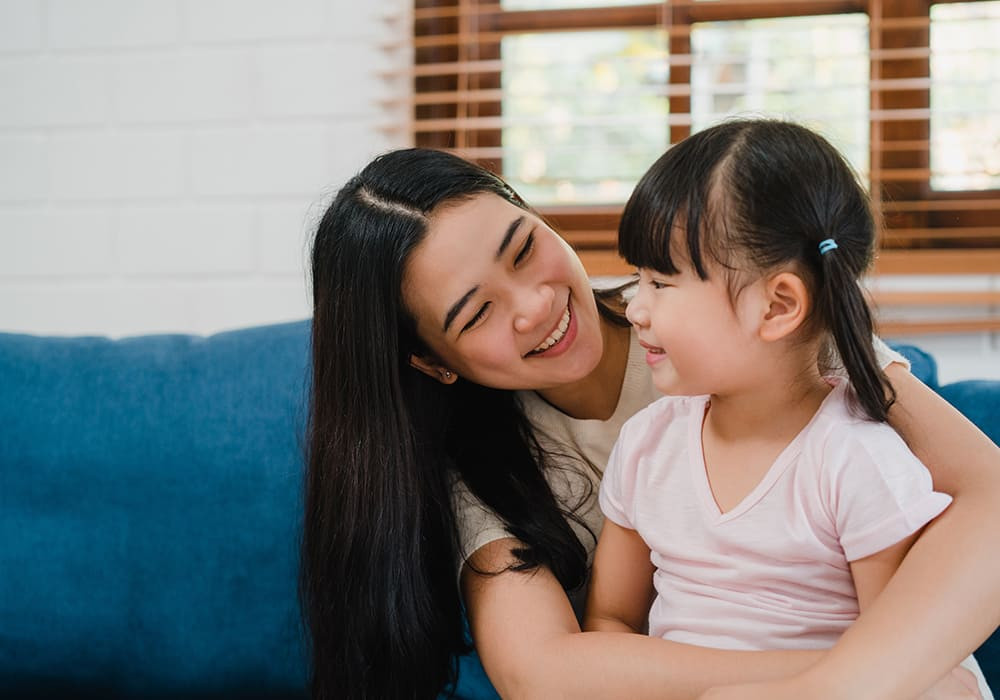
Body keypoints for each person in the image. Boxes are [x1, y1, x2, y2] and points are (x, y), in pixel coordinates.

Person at [300, 143, 1000, 700]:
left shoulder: (736, 311)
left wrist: (863, 681)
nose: (535, 304)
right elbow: (543, 675)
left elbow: (990, 496)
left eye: (521, 249)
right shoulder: (483, 471)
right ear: (430, 361)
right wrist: (838, 678)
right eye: (477, 313)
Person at [583, 119, 992, 698]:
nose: (635, 308)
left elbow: (904, 660)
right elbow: (611, 622)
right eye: (636, 278)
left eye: (661, 283)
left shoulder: (854, 457)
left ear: (777, 306)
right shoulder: (647, 443)